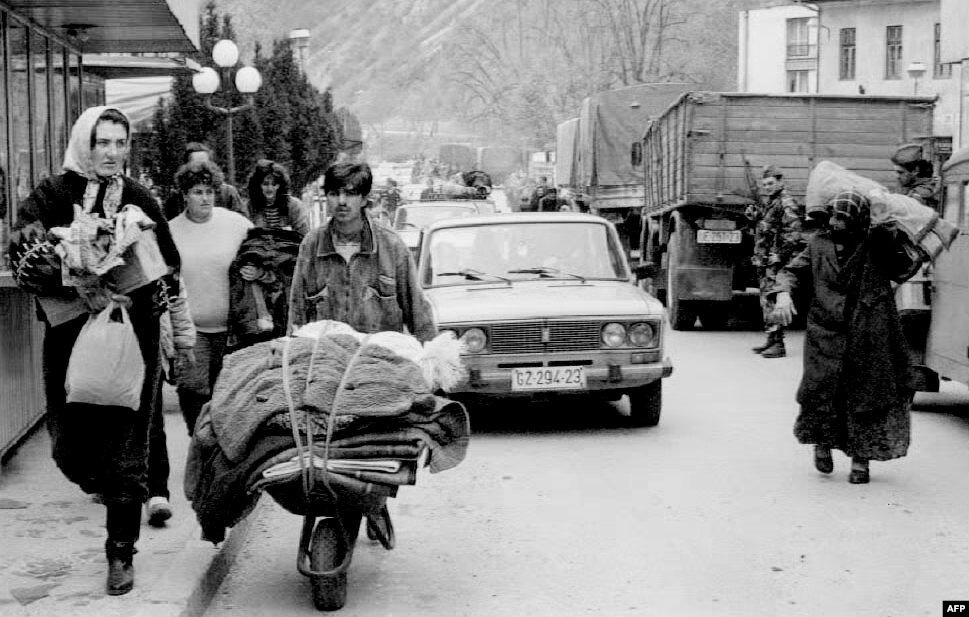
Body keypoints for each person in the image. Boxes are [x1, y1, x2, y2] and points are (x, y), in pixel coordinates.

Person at [8, 106, 181, 595]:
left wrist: (138, 269)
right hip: (69, 338)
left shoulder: (140, 197)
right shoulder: (51, 194)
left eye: (120, 143)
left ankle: (121, 552)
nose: (111, 152)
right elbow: (20, 254)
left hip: (132, 336)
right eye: (102, 142)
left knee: (128, 445)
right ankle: (101, 484)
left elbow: (170, 262)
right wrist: (69, 271)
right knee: (68, 447)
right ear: (85, 143)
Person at [288, 161, 436, 544]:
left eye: (351, 193)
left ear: (364, 198)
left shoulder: (390, 246)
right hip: (326, 372)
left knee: (376, 449)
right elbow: (296, 315)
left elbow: (417, 309)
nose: (342, 201)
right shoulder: (311, 246)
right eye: (335, 192)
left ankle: (375, 500)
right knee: (325, 452)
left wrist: (432, 364)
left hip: (378, 373)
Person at [771, 190, 917, 484]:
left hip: (868, 333)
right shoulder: (818, 243)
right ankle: (821, 444)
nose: (834, 223)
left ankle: (861, 460)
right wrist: (783, 293)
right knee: (820, 391)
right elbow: (792, 271)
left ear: (857, 219)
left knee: (866, 396)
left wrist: (887, 228)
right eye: (833, 216)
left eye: (842, 217)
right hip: (825, 332)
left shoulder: (876, 243)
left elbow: (904, 267)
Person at [168, 160, 253, 435]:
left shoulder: (237, 225)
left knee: (231, 396)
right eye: (197, 192)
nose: (205, 198)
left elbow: (262, 257)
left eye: (209, 191)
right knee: (194, 393)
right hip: (192, 331)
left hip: (233, 330)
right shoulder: (170, 231)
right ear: (185, 195)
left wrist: (257, 270)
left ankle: (225, 452)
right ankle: (199, 447)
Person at [749, 165, 805, 358]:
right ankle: (771, 338)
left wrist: (780, 255)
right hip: (765, 259)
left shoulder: (786, 202)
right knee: (766, 299)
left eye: (771, 183)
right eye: (765, 184)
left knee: (773, 298)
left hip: (775, 260)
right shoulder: (772, 202)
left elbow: (794, 232)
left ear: (781, 182)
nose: (767, 187)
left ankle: (778, 344)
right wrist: (755, 217)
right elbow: (768, 227)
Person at [162, 142, 248, 220]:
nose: (202, 168)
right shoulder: (177, 198)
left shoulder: (227, 192)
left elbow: (242, 221)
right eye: (197, 164)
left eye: (205, 163)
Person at [245, 159, 312, 236]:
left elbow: (304, 236)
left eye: (274, 184)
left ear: (280, 185)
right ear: (257, 185)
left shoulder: (294, 206)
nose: (270, 188)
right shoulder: (249, 207)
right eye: (265, 184)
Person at [891, 143, 940, 211]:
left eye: (900, 172)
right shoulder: (907, 185)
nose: (897, 176)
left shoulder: (922, 192)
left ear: (915, 171)